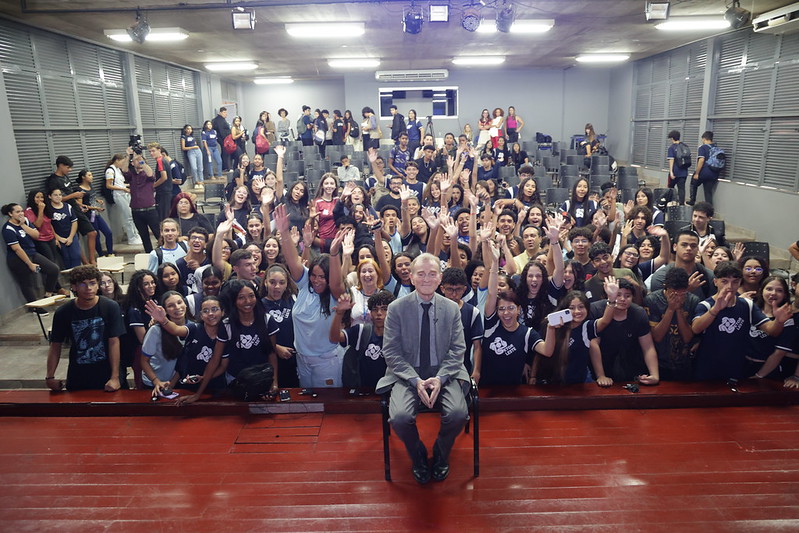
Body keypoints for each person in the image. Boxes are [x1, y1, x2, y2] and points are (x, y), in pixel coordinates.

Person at [377, 252, 469, 484]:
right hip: (406, 373)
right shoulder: (396, 309)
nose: (426, 279)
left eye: (432, 274)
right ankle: (417, 455)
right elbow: (391, 352)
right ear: (411, 277)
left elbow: (458, 350)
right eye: (421, 274)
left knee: (459, 413)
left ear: (440, 278)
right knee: (398, 417)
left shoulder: (451, 309)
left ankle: (440, 453)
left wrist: (440, 378)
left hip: (446, 372)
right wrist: (414, 380)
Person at [275, 204, 347, 387]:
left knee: (328, 406)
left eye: (322, 277)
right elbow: (292, 260)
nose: (316, 280)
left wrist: (333, 253)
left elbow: (337, 282)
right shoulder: (305, 283)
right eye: (314, 275)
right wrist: (283, 232)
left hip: (326, 360)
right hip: (302, 358)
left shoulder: (335, 293)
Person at [691, 261, 791, 381]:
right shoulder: (706, 305)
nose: (730, 286)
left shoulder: (747, 305)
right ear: (715, 282)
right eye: (724, 281)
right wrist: (715, 309)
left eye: (735, 282)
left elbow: (771, 330)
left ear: (739, 282)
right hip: (707, 366)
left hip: (736, 366)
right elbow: (696, 328)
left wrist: (779, 321)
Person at [45, 266, 124, 392]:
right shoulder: (63, 312)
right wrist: (50, 377)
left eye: (92, 283)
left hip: (107, 372)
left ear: (97, 285)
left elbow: (114, 342)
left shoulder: (110, 307)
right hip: (78, 374)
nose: (89, 288)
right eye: (83, 284)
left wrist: (115, 377)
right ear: (74, 287)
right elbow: (55, 345)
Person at [590, 278, 660, 386]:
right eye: (618, 295)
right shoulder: (595, 309)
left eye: (627, 296)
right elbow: (593, 344)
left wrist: (654, 375)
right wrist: (601, 376)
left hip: (630, 368)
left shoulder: (639, 313)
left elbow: (648, 347)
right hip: (602, 366)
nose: (623, 299)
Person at [331, 290, 395, 391]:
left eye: (384, 309)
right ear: (370, 312)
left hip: (390, 391)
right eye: (375, 309)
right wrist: (339, 314)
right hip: (362, 391)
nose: (379, 313)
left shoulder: (398, 336)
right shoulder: (362, 331)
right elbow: (334, 338)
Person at [644, 267, 699, 381]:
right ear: (666, 286)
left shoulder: (693, 300)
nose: (678, 297)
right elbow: (657, 337)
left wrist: (678, 309)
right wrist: (670, 309)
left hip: (684, 363)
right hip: (659, 363)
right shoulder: (652, 300)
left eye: (682, 294)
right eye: (674, 294)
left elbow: (688, 338)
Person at [2, 202, 60, 303]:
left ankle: (48, 294)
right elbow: (17, 249)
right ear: (10, 214)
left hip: (32, 253)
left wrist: (23, 225)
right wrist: (30, 264)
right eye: (17, 212)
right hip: (18, 259)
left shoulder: (25, 221)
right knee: (28, 283)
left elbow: (36, 235)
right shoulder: (8, 229)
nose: (21, 214)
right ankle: (35, 307)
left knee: (53, 269)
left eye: (22, 211)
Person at [45, 155, 97, 265]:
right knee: (74, 238)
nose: (70, 170)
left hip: (74, 206)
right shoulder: (53, 181)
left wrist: (79, 203)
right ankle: (86, 262)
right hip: (64, 210)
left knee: (92, 232)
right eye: (68, 167)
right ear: (60, 166)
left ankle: (92, 260)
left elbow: (69, 194)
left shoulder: (65, 177)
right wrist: (74, 195)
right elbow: (57, 198)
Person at [140, 290, 187, 396]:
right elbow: (144, 361)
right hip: (154, 382)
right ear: (164, 311)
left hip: (178, 381)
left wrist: (172, 383)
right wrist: (156, 381)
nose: (177, 307)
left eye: (180, 302)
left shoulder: (193, 327)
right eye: (171, 305)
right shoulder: (156, 330)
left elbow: (184, 362)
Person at [123, 148, 160, 253]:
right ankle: (149, 254)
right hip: (136, 211)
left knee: (158, 233)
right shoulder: (131, 175)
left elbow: (149, 173)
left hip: (150, 210)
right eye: (135, 161)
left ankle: (164, 252)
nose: (138, 162)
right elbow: (124, 169)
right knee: (144, 236)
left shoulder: (148, 173)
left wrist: (140, 158)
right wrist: (128, 156)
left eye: (140, 160)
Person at [104, 153, 141, 246]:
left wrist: (129, 186)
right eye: (122, 162)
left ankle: (135, 234)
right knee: (128, 217)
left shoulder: (118, 170)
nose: (122, 164)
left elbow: (120, 182)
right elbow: (109, 185)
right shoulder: (110, 170)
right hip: (119, 195)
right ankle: (131, 237)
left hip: (125, 193)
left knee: (131, 215)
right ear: (117, 160)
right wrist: (123, 189)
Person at [75, 170, 114, 257]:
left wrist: (98, 201)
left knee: (108, 232)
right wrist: (94, 208)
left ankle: (110, 253)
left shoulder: (90, 186)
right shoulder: (79, 190)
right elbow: (80, 205)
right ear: (83, 177)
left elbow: (92, 197)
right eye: (89, 175)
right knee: (96, 236)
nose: (91, 177)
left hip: (96, 213)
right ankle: (101, 255)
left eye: (91, 175)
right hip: (89, 215)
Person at [689, 131, 721, 206]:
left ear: (704, 139)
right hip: (714, 174)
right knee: (708, 193)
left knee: (693, 183)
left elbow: (701, 160)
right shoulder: (717, 148)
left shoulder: (703, 147)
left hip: (704, 173)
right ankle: (709, 211)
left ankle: (692, 200)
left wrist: (697, 173)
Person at [146, 143, 175, 221]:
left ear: (159, 150)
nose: (151, 153)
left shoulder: (160, 161)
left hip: (163, 192)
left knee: (162, 216)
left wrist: (153, 185)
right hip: (166, 191)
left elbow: (164, 177)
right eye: (150, 151)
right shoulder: (163, 160)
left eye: (153, 151)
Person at [667, 130, 691, 205]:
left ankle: (671, 203)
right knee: (681, 189)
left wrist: (671, 172)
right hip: (684, 172)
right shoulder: (685, 146)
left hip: (675, 172)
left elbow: (671, 160)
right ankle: (681, 205)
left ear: (672, 138)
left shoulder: (671, 148)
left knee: (670, 187)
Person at [180, 124, 204, 190]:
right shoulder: (183, 137)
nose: (189, 130)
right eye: (188, 129)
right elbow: (183, 147)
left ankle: (201, 181)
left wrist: (195, 146)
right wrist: (193, 147)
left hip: (198, 151)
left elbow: (195, 143)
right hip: (191, 151)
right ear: (185, 129)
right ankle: (196, 182)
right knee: (194, 168)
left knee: (200, 167)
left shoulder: (192, 136)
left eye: (190, 129)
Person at [212, 107, 232, 171]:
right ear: (220, 112)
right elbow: (221, 130)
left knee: (225, 152)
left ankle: (225, 167)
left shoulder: (221, 119)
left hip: (223, 138)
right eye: (224, 112)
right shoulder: (219, 120)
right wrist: (226, 139)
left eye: (226, 112)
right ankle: (225, 167)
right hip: (223, 139)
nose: (226, 114)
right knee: (225, 152)